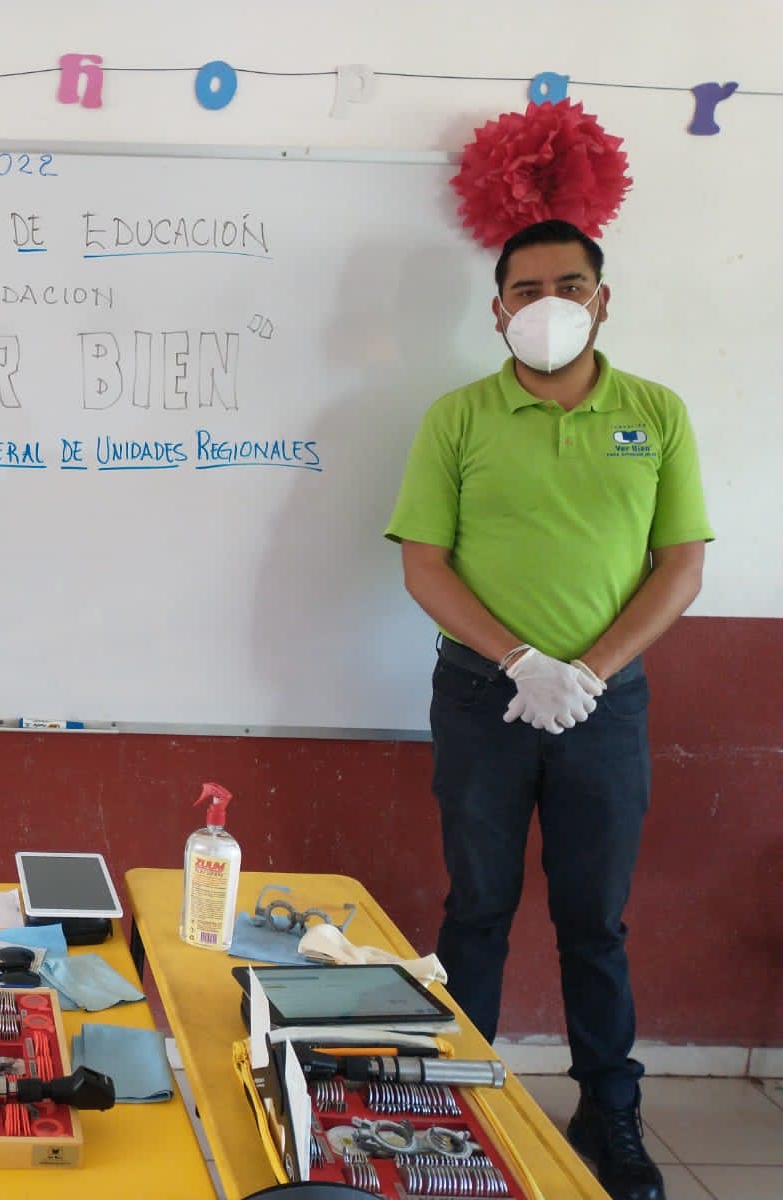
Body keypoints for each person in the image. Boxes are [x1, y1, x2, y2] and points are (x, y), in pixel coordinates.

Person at [386, 219, 711, 1200]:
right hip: (481, 697)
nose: (548, 305)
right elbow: (423, 564)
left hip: (604, 707)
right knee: (476, 910)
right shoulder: (457, 418)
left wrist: (587, 672)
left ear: (602, 300)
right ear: (498, 312)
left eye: (569, 285)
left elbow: (680, 567)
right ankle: (457, 1107)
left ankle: (609, 1111)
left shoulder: (654, 413)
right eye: (525, 290)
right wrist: (522, 660)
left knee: (593, 921)